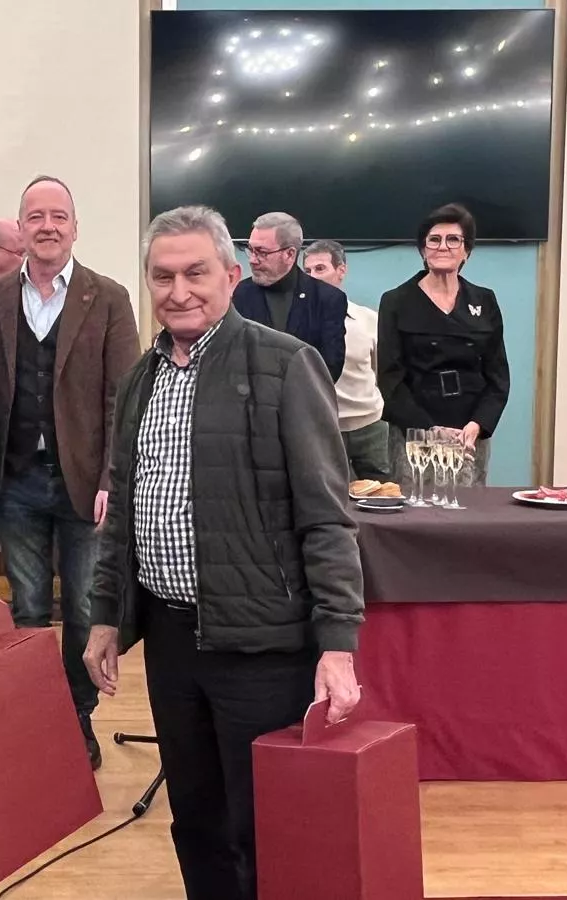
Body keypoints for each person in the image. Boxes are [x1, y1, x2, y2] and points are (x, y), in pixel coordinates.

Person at [84, 205, 365, 900]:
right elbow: (123, 508)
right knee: (198, 822)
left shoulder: (286, 365)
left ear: (231, 276)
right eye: (162, 276)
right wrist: (105, 616)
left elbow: (328, 517)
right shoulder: (140, 381)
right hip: (173, 641)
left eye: (195, 273)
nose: (178, 291)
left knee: (262, 829)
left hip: (263, 648)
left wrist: (337, 642)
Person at [0, 175, 140, 769]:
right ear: (20, 228)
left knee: (81, 609)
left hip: (83, 488)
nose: (47, 226)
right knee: (23, 608)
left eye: (58, 216)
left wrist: (110, 481)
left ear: (75, 226)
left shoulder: (110, 297)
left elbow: (124, 400)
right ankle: (27, 715)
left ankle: (76, 717)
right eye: (35, 216)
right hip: (15, 480)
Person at [377, 203, 509, 486]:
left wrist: (478, 425)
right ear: (423, 250)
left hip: (469, 432)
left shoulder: (485, 300)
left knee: (467, 515)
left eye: (453, 240)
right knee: (417, 516)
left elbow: (498, 377)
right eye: (434, 240)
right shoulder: (396, 301)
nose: (443, 247)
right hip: (417, 431)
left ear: (466, 251)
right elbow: (390, 378)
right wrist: (429, 429)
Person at [303, 239, 389, 481]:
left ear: (341, 271)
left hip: (369, 425)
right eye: (307, 271)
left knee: (381, 494)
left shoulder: (368, 320)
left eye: (320, 269)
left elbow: (380, 372)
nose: (312, 277)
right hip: (323, 427)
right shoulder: (296, 322)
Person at [231, 212, 348, 380]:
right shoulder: (238, 294)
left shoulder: (326, 299)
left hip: (304, 401)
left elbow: (330, 367)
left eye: (261, 252)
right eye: (250, 250)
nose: (253, 260)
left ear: (290, 254)